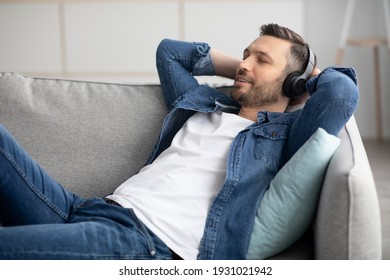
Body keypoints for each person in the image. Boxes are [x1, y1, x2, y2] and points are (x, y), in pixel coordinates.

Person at [0, 23, 358, 260]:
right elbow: (169, 52)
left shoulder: (283, 137)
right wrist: (248, 68)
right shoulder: (202, 104)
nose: (244, 64)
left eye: (261, 59)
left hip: (142, 242)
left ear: (293, 81)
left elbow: (341, 96)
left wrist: (304, 82)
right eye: (246, 54)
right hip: (85, 209)